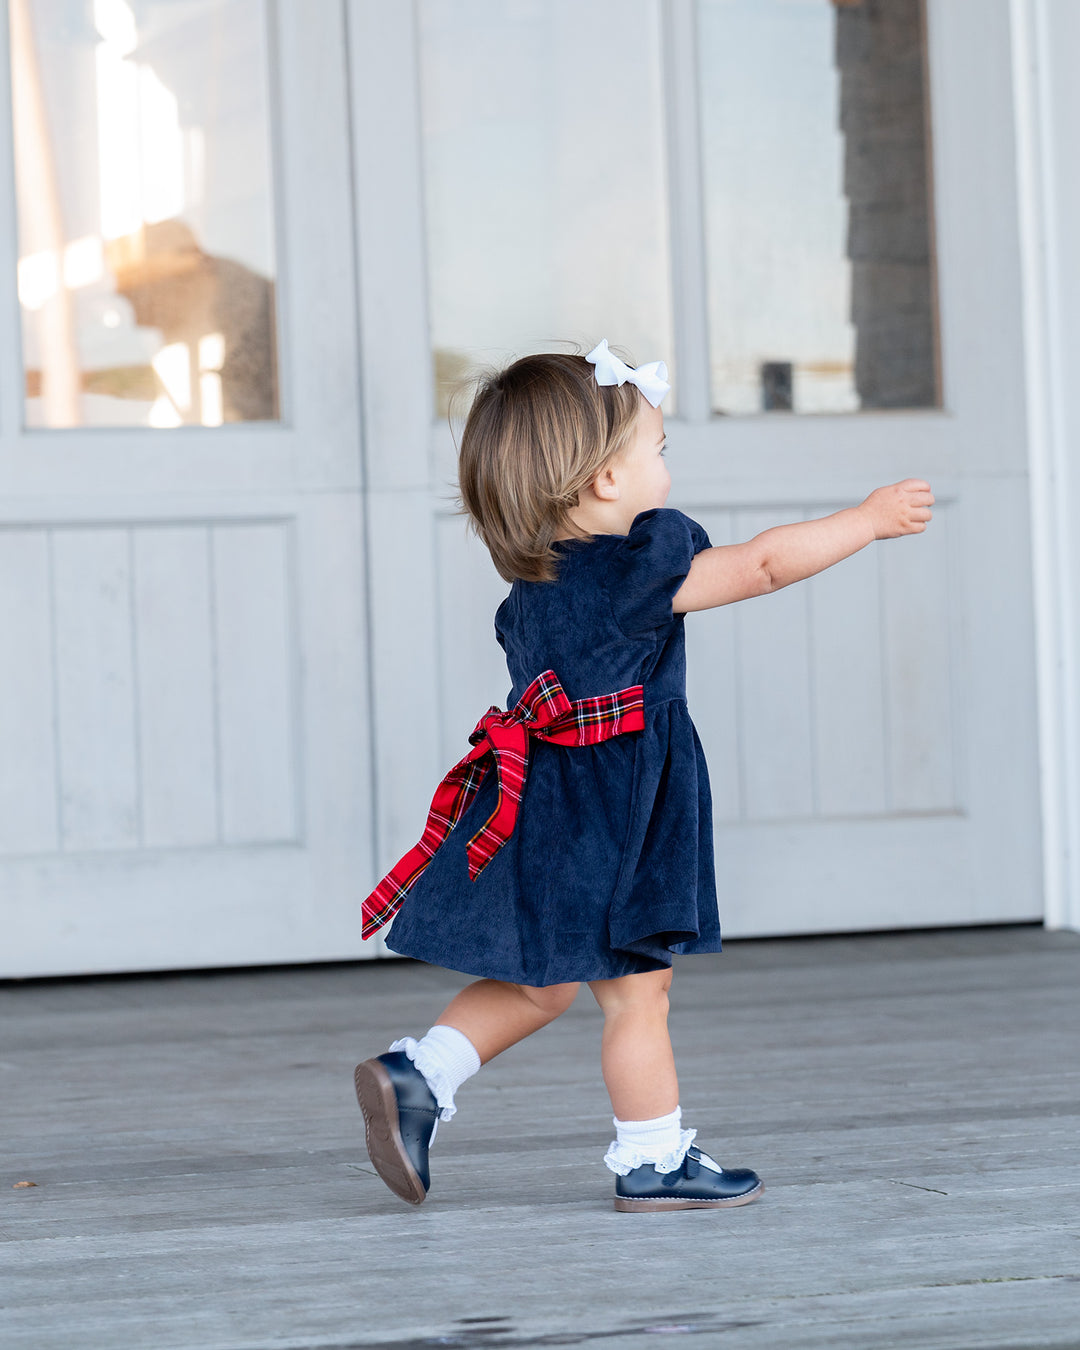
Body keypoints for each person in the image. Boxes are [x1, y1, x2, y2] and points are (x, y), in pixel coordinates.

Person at [354, 339, 934, 1212]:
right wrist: (867, 518)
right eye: (656, 451)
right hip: (614, 814)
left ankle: (421, 1073)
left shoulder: (533, 586)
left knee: (540, 981)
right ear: (603, 485)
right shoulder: (630, 575)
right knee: (637, 997)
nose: (666, 467)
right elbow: (764, 564)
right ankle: (652, 1158)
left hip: (544, 806)